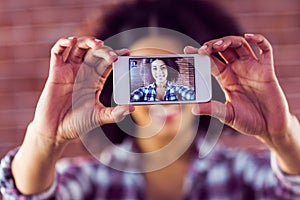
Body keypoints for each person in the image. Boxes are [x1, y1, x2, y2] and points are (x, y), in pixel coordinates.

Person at [1, 0, 300, 199]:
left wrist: (282, 134)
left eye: (172, 68)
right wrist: (45, 137)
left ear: (203, 78)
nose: (162, 88)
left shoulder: (241, 173)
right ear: (117, 85)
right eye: (146, 69)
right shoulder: (88, 180)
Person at [130, 57, 195, 102]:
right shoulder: (143, 91)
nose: (159, 72)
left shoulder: (177, 89)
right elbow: (132, 98)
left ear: (168, 69)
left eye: (163, 67)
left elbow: (191, 95)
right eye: (155, 68)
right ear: (150, 71)